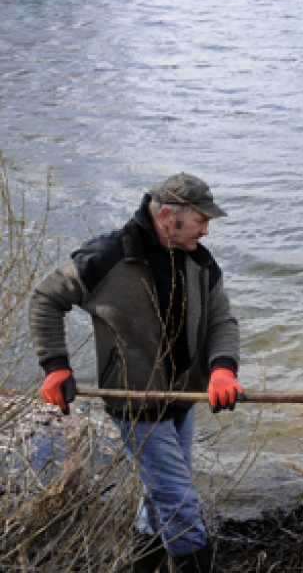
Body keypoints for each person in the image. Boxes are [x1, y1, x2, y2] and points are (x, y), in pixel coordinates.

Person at [30, 173, 245, 573]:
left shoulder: (199, 259)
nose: (207, 227)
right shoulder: (106, 257)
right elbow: (46, 298)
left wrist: (222, 370)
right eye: (201, 219)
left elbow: (222, 320)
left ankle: (143, 564)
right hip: (134, 403)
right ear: (167, 217)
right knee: (180, 503)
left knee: (159, 494)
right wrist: (55, 366)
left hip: (183, 399)